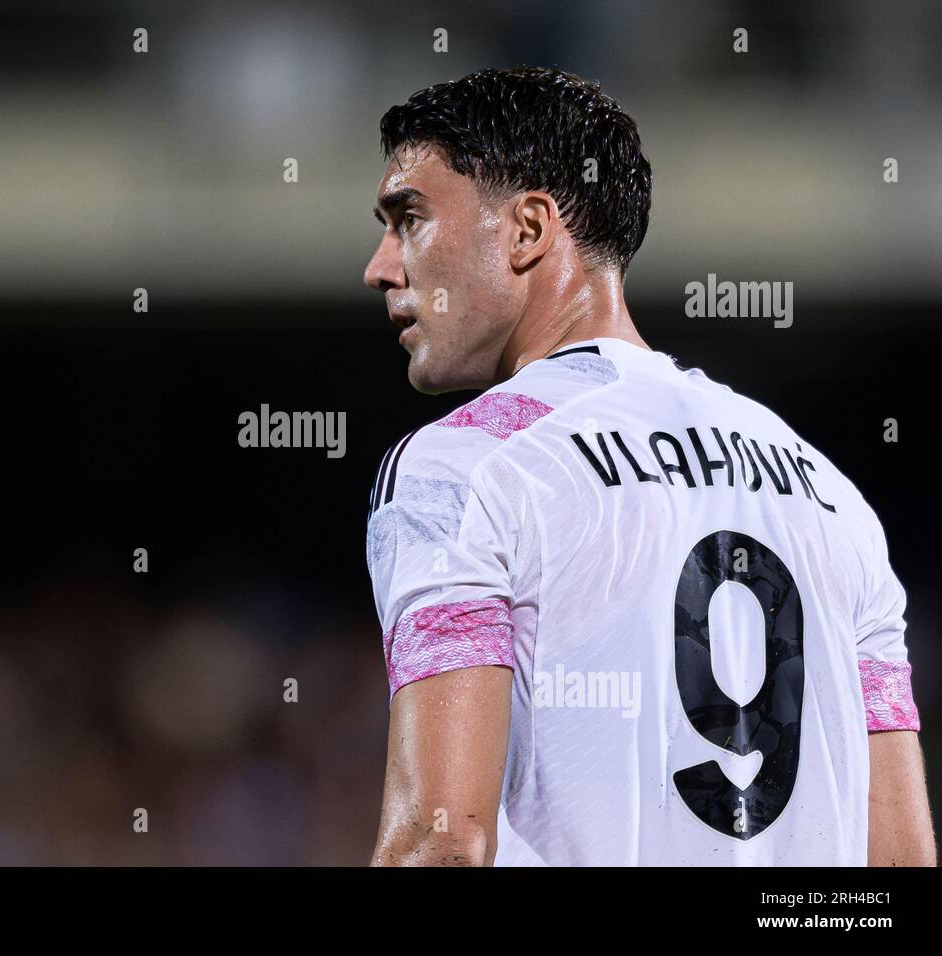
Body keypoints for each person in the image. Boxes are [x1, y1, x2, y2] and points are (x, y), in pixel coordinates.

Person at [363, 66, 933, 866]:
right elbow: (901, 860)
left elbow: (443, 835)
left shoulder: (467, 465)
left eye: (408, 219)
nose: (382, 266)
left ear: (527, 229)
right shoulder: (831, 495)